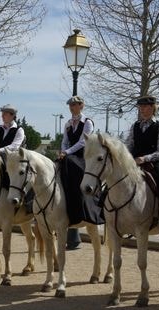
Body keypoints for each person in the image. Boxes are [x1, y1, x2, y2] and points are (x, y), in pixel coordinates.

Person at [59, 96, 104, 250]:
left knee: (75, 172)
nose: (72, 107)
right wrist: (63, 151)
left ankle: (89, 207)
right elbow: (64, 140)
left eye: (75, 105)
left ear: (81, 106)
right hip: (68, 156)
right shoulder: (68, 124)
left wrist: (67, 152)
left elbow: (83, 142)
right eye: (70, 105)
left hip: (83, 157)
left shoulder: (88, 122)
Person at [126, 96, 159, 204]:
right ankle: (103, 207)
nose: (141, 109)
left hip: (153, 162)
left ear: (152, 107)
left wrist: (145, 158)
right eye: (140, 106)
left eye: (144, 106)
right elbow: (129, 144)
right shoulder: (135, 125)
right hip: (134, 160)